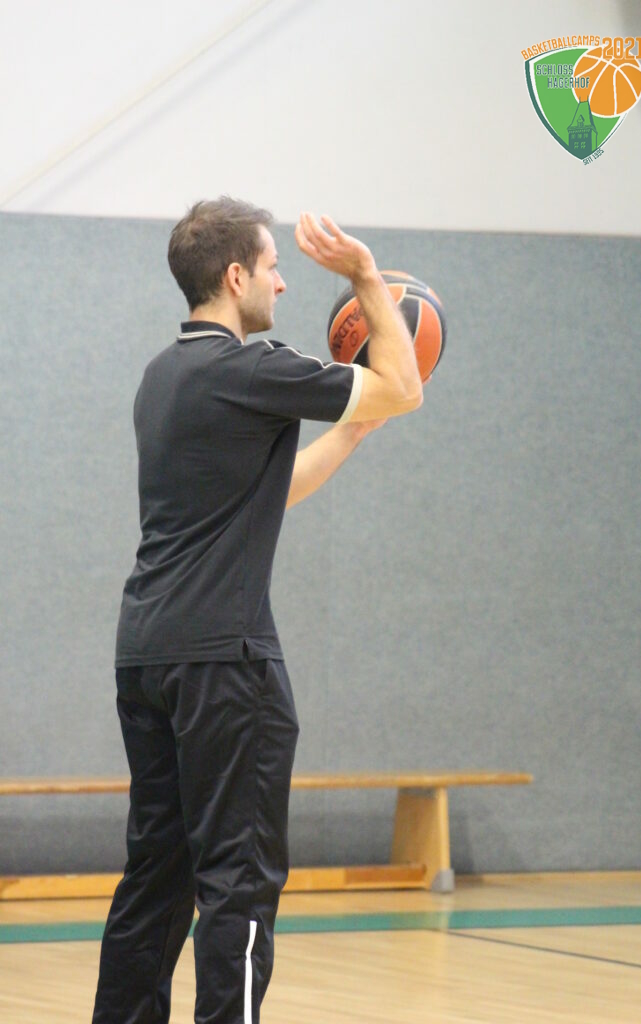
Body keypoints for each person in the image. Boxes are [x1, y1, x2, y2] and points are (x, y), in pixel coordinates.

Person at [92, 197, 423, 1024]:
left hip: (147, 653)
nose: (282, 282)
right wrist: (365, 276)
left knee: (157, 876)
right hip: (225, 663)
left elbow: (273, 493)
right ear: (235, 277)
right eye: (273, 267)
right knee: (238, 880)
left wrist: (349, 433)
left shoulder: (163, 376)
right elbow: (403, 388)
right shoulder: (252, 368)